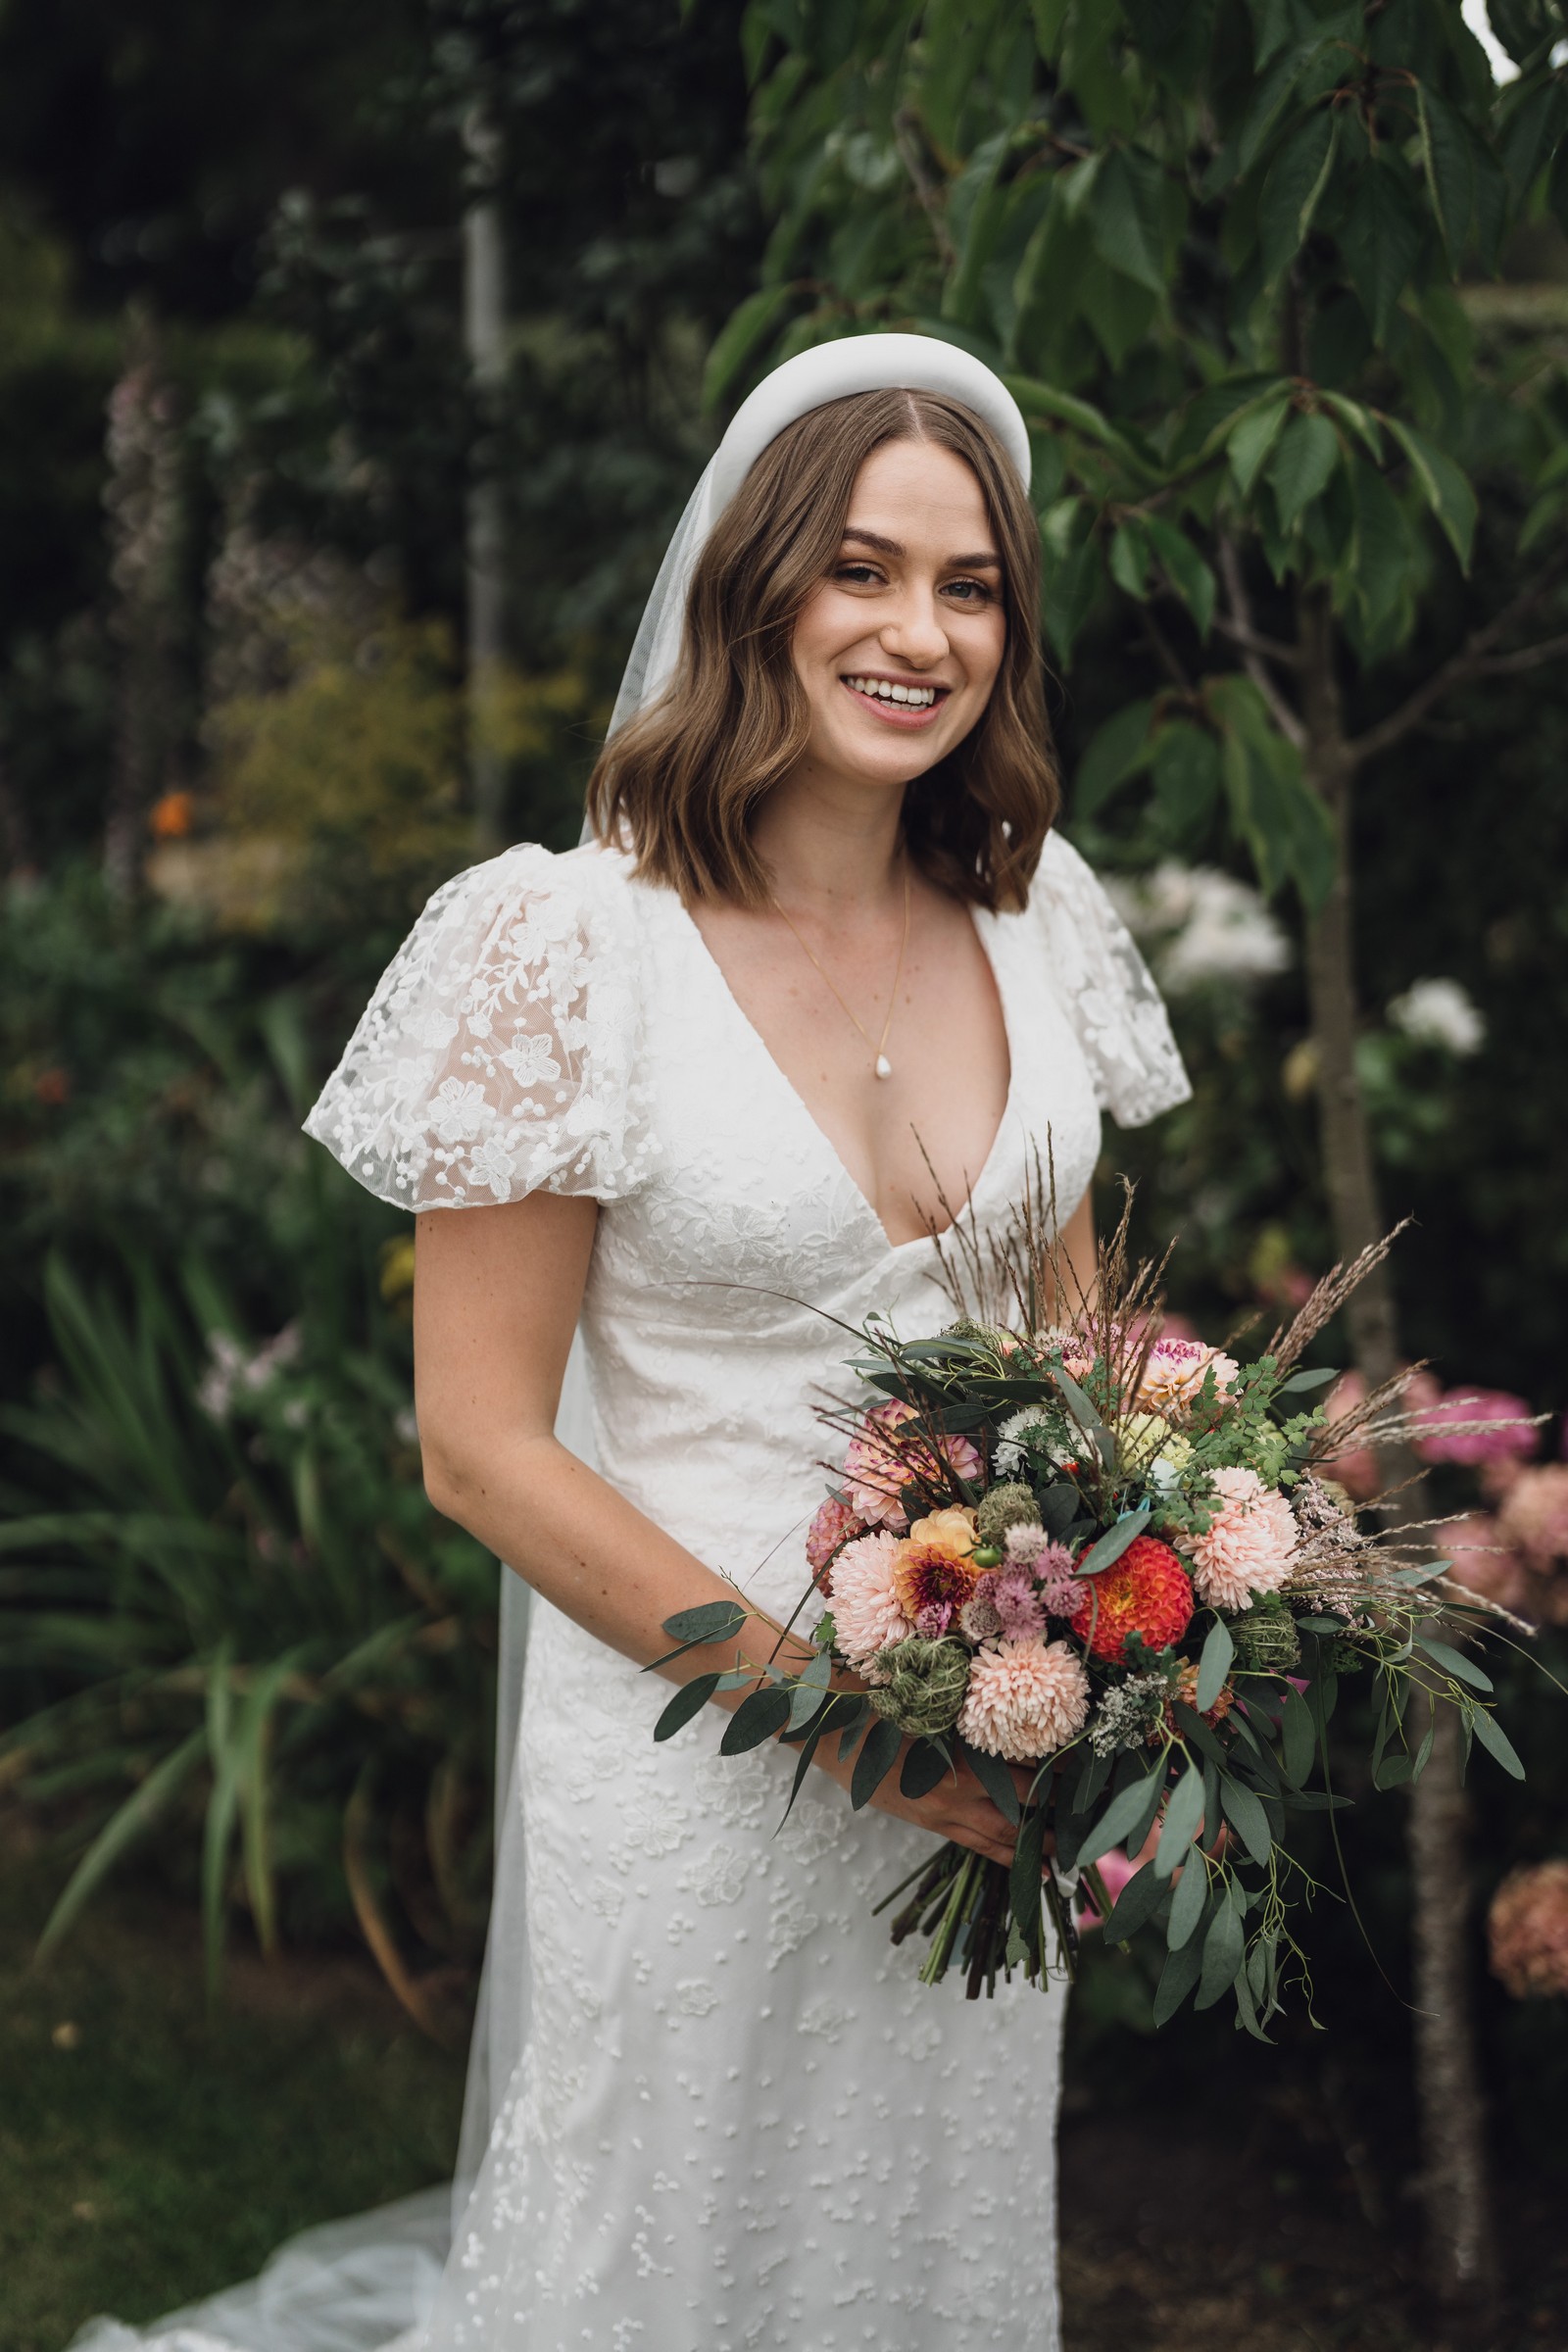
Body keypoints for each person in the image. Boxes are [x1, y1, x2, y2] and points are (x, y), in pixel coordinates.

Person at [74, 337, 1188, 2352]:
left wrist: (1132, 1612)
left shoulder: (1040, 917)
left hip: (987, 1733)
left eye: (969, 586)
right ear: (751, 582)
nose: (915, 632)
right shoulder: (562, 947)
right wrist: (851, 1733)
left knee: (920, 2232)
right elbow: (481, 1449)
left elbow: (1067, 1333)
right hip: (691, 1758)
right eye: (859, 569)